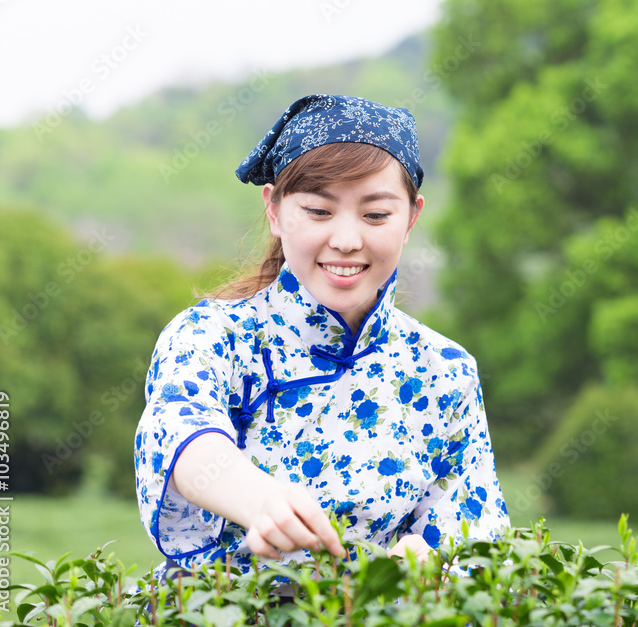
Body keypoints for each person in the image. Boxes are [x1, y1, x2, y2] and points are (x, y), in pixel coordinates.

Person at [134, 94, 510, 575]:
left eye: (376, 215)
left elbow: (474, 539)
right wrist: (261, 500)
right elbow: (179, 436)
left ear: (412, 218)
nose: (347, 240)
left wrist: (421, 563)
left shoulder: (444, 370)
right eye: (318, 211)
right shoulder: (210, 335)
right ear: (274, 208)